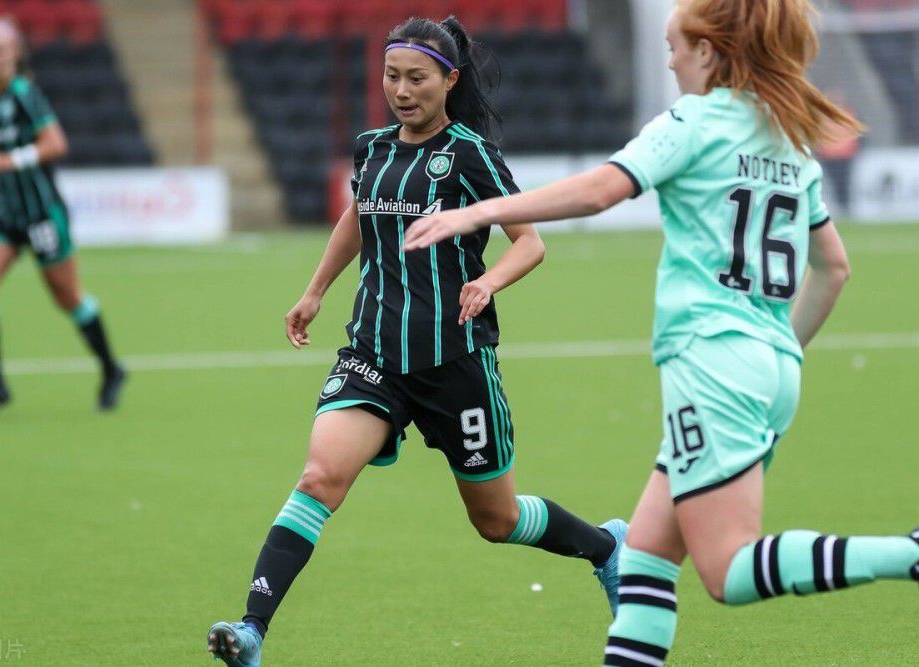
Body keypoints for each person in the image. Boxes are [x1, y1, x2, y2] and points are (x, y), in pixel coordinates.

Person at [404, 1, 919, 664]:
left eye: (676, 45)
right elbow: (834, 268)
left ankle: (916, 551)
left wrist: (477, 210)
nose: (670, 58)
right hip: (768, 368)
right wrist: (775, 351)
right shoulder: (785, 135)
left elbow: (601, 190)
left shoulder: (697, 120)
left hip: (713, 365)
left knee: (727, 571)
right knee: (649, 559)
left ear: (709, 53)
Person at [207, 16, 627, 667]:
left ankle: (604, 547)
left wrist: (487, 282)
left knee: (498, 519)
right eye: (392, 76)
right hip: (373, 353)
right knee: (320, 477)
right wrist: (316, 288)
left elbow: (530, 243)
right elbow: (357, 214)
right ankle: (252, 628)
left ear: (448, 80)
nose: (401, 90)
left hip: (454, 363)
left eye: (416, 78)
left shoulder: (469, 154)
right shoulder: (373, 147)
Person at [0, 16, 126, 416]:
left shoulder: (25, 93)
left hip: (41, 215)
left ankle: (111, 368)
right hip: (6, 213)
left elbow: (55, 143)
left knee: (68, 298)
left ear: (14, 53)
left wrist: (1, 161)